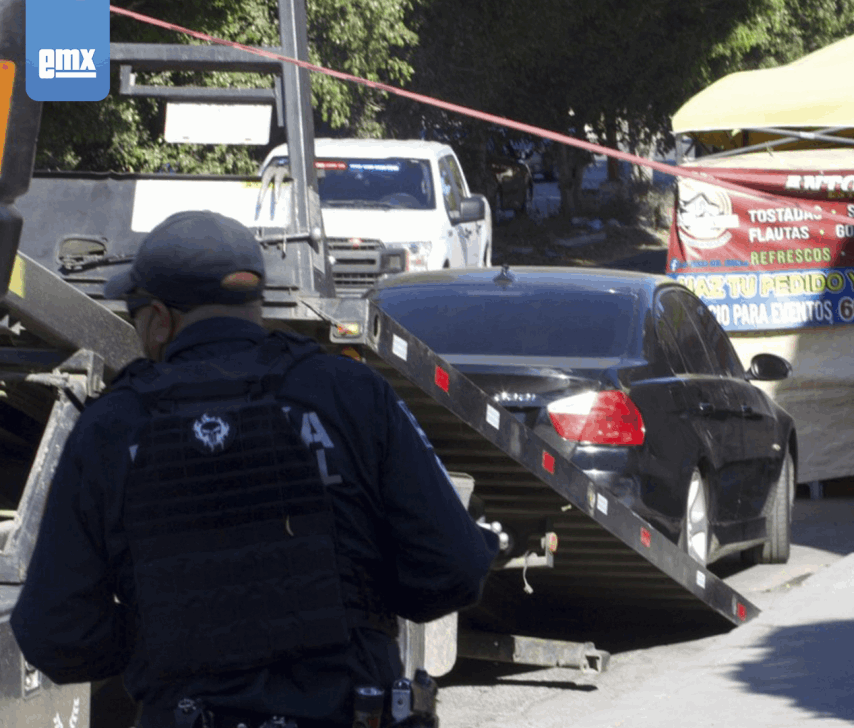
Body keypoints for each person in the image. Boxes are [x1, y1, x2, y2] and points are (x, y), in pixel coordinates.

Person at [11, 210, 499, 728]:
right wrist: (346, 605)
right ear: (255, 302)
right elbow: (457, 569)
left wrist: (162, 632)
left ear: (158, 318)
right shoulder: (351, 393)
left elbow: (53, 631)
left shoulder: (112, 425)